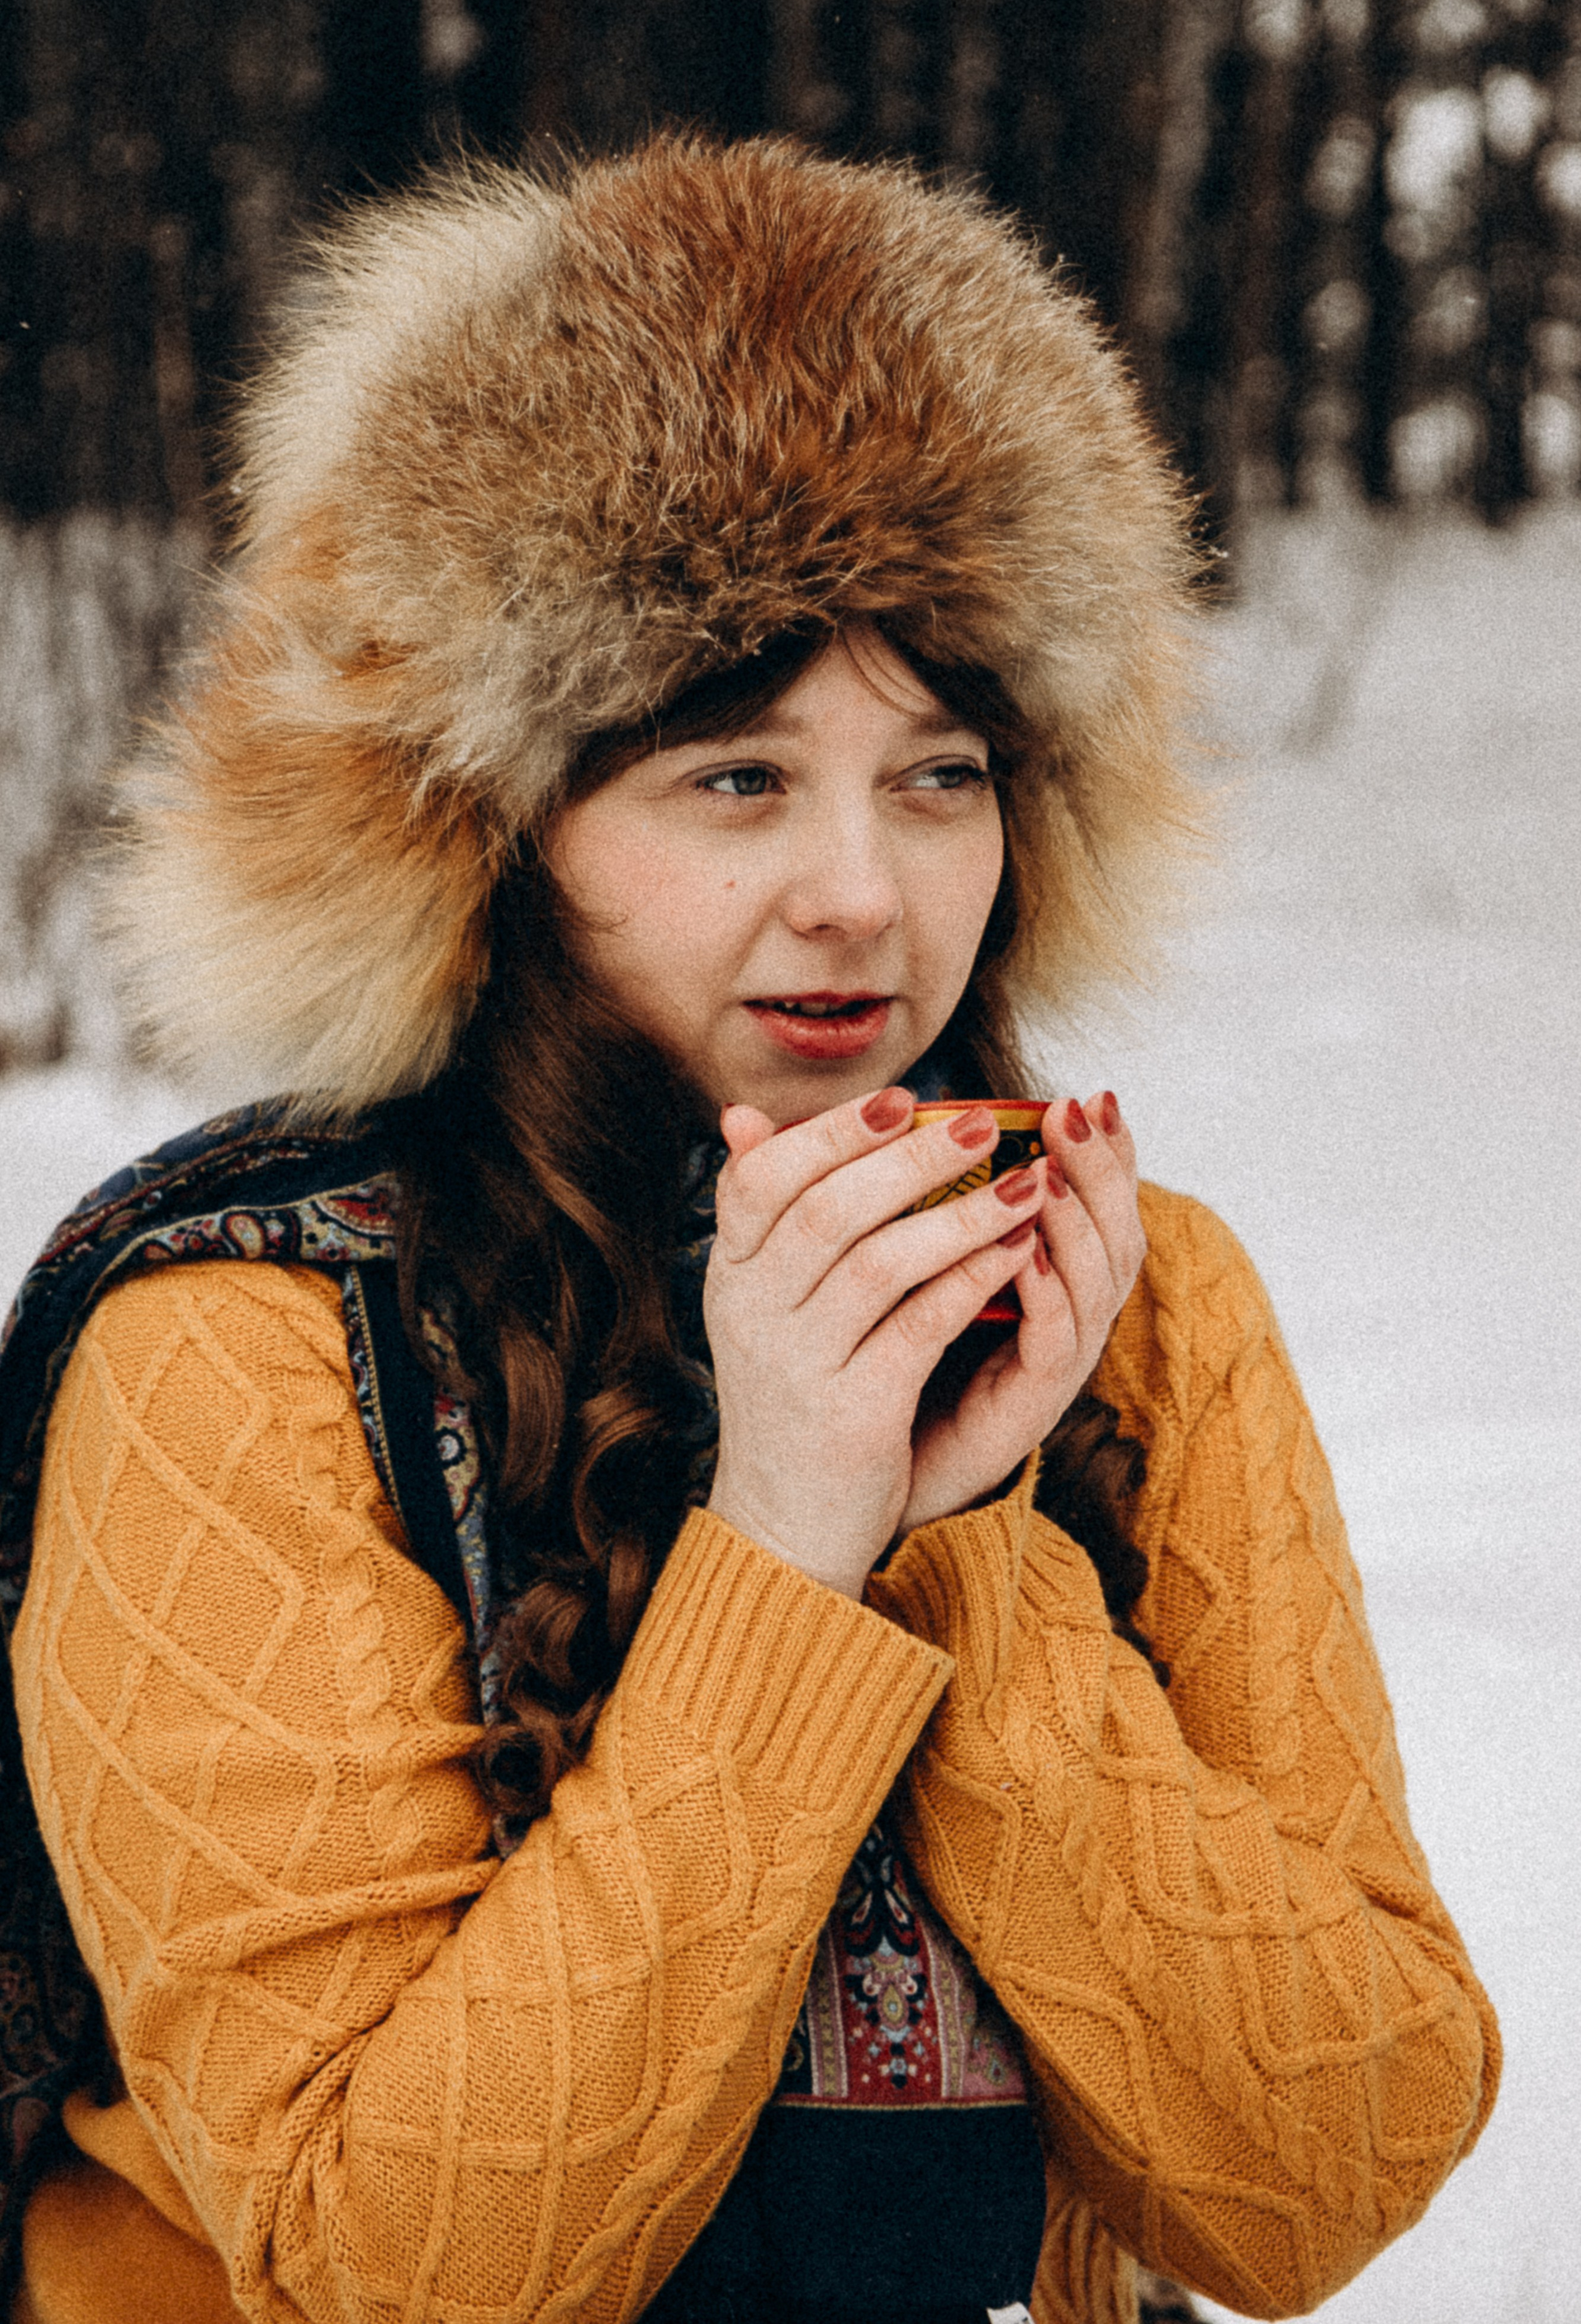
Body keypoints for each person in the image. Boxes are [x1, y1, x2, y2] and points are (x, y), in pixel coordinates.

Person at [0, 135, 1497, 2324]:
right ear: (493, 825)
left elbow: (1324, 2174)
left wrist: (966, 1537)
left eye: (940, 770)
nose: (862, 896)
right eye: (734, 773)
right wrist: (792, 1550)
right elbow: (406, 2271)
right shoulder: (243, 1343)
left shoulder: (1135, 1301)